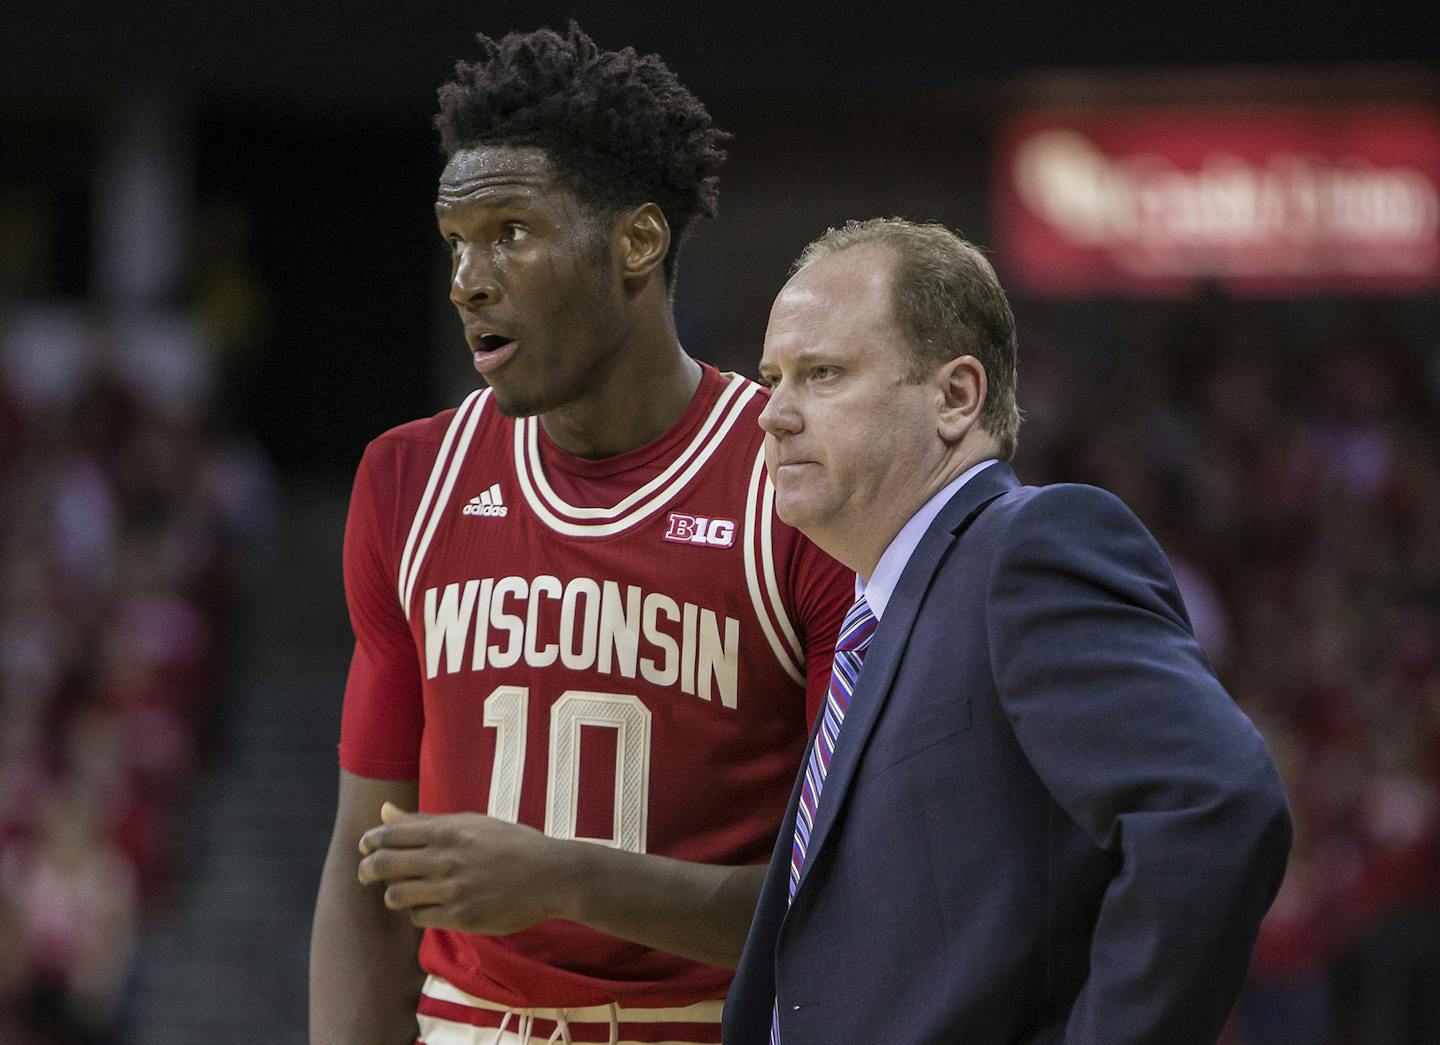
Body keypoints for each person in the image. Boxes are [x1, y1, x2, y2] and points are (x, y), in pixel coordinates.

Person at [308, 24, 852, 1045]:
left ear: (637, 242)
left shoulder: (789, 479)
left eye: (511, 230)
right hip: (467, 1023)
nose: (469, 276)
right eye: (456, 240)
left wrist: (565, 878)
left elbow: (842, 902)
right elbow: (362, 865)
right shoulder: (407, 480)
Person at [723, 218, 1293, 1044]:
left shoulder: (1027, 547)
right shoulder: (873, 618)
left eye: (822, 375)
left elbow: (1216, 803)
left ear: (956, 396)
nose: (772, 413)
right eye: (771, 376)